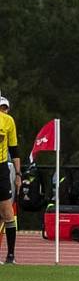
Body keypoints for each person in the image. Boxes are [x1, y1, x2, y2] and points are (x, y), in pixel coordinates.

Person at [0, 95, 20, 264]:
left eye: (5, 108)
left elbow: (14, 150)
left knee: (7, 211)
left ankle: (11, 255)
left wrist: (19, 174)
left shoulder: (9, 122)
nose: (3, 111)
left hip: (1, 168)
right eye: (1, 108)